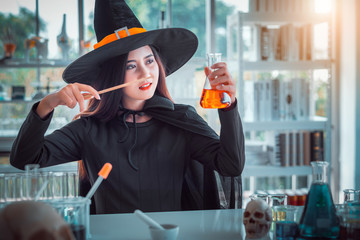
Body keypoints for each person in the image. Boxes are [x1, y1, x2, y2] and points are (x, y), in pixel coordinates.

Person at [10, 0, 245, 214]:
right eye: (131, 66)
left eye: (149, 61)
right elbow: (24, 158)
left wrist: (229, 105)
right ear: (113, 76)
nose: (145, 73)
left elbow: (231, 165)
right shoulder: (88, 129)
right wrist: (48, 104)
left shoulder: (182, 120)